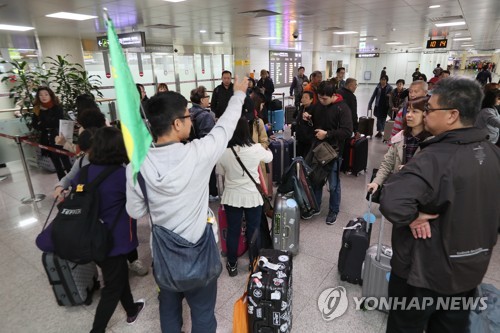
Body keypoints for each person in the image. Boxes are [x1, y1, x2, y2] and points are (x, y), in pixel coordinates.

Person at [126, 77, 248, 333]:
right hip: (200, 256)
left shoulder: (136, 165)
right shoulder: (197, 154)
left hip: (164, 260)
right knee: (203, 315)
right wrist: (238, 94)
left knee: (168, 310)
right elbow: (224, 128)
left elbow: (135, 211)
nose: (191, 119)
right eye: (188, 115)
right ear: (177, 123)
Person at [380, 77, 500, 333]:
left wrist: (414, 216)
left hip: (423, 273)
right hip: (469, 271)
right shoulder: (493, 154)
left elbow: (392, 201)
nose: (426, 115)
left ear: (452, 115)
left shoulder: (435, 158)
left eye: (431, 110)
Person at [54, 126, 149, 277]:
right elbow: (70, 178)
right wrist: (59, 186)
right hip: (95, 211)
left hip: (117, 211)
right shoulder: (81, 163)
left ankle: (132, 261)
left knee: (125, 237)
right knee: (105, 243)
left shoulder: (119, 165)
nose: (88, 153)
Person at [84, 127, 145, 333]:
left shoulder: (86, 171)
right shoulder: (121, 175)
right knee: (112, 286)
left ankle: (131, 308)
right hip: (114, 240)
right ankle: (97, 329)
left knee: (116, 275)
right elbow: (138, 203)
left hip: (91, 236)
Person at [216, 117, 273, 276]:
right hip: (252, 197)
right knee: (253, 230)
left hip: (231, 198)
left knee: (233, 231)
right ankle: (253, 263)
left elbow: (220, 172)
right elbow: (270, 157)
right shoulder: (255, 149)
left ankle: (232, 265)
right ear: (246, 131)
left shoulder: (224, 153)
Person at [302, 81, 353, 222]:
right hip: (318, 149)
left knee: (334, 183)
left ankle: (333, 210)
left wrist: (328, 134)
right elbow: (312, 116)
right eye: (320, 98)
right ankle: (316, 206)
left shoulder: (343, 108)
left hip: (334, 151)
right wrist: (307, 117)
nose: (322, 101)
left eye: (325, 99)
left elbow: (348, 131)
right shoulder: (319, 105)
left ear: (333, 95)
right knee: (315, 179)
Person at [367, 96, 432, 194]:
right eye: (408, 111)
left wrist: (411, 169)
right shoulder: (401, 136)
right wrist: (376, 182)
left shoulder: (432, 142)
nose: (409, 115)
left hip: (419, 194)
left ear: (426, 114)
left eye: (415, 112)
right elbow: (387, 163)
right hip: (399, 189)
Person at [32, 87, 73, 180]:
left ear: (51, 95)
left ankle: (73, 184)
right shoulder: (37, 109)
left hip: (58, 136)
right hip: (46, 137)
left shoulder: (57, 107)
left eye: (46, 94)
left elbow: (57, 122)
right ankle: (62, 185)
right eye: (41, 95)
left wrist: (43, 124)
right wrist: (44, 125)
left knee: (65, 160)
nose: (43, 97)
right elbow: (34, 124)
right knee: (56, 162)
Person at [189, 86, 218, 201]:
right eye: (207, 96)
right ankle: (211, 194)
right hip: (204, 151)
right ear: (201, 100)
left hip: (192, 149)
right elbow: (208, 138)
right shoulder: (205, 115)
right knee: (209, 173)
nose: (208, 99)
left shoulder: (189, 112)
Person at [294, 91, 316, 158]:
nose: (303, 99)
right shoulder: (301, 108)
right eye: (302, 97)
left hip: (309, 138)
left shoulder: (314, 109)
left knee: (307, 157)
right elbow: (295, 117)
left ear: (311, 100)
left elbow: (315, 123)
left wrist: (309, 118)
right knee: (299, 156)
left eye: (306, 97)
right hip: (300, 137)